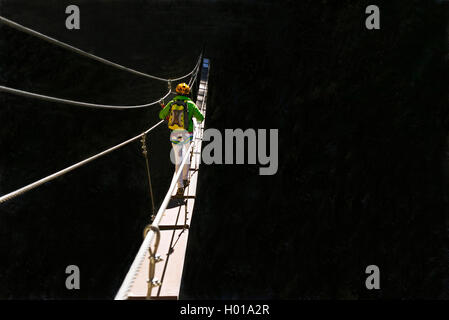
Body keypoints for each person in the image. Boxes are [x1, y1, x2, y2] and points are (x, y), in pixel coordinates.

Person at [159, 83, 204, 196]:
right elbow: (201, 117)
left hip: (174, 133)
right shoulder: (191, 104)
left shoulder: (171, 103)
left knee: (178, 159)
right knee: (187, 155)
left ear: (176, 92)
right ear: (188, 93)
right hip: (187, 134)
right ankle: (186, 178)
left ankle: (180, 186)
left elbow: (161, 115)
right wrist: (191, 115)